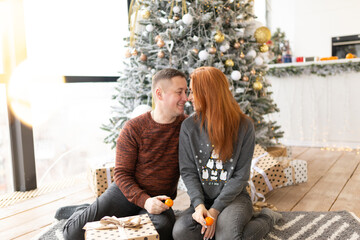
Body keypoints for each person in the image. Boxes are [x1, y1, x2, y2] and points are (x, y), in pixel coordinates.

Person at [60, 68, 188, 240]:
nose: (186, 98)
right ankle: (81, 210)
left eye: (186, 92)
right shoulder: (133, 128)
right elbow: (121, 174)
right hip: (124, 193)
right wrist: (145, 201)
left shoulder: (187, 127)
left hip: (159, 199)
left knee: (162, 230)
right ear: (159, 94)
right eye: (179, 92)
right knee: (72, 234)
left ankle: (103, 212)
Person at [172, 66, 282, 240]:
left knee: (227, 237)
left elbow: (240, 176)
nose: (189, 98)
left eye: (193, 92)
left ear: (208, 93)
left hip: (234, 199)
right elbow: (188, 171)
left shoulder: (244, 126)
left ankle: (267, 218)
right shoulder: (188, 127)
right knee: (181, 232)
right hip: (203, 200)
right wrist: (199, 205)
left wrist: (215, 211)